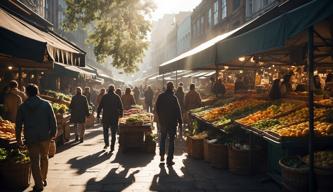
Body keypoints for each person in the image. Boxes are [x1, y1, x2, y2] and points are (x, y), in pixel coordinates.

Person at [16, 84, 57, 192]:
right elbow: (53, 120)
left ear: (27, 93)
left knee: (34, 161)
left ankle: (39, 184)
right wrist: (53, 133)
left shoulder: (22, 106)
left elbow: (18, 124)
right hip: (45, 136)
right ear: (37, 91)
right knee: (44, 157)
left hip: (31, 137)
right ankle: (43, 178)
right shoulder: (46, 104)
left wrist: (18, 138)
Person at [155, 82, 182, 166]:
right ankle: (169, 160)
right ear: (172, 88)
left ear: (167, 87)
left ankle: (162, 155)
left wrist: (159, 118)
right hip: (172, 122)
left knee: (163, 138)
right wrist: (180, 122)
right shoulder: (174, 98)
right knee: (171, 140)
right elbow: (178, 110)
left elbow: (156, 108)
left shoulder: (161, 96)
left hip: (163, 122)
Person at [97, 85, 123, 151]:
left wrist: (98, 115)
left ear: (108, 89)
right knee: (113, 133)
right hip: (114, 117)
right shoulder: (117, 97)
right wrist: (121, 115)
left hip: (106, 117)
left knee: (105, 131)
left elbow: (100, 106)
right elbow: (121, 107)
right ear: (114, 89)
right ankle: (112, 146)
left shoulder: (104, 96)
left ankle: (106, 143)